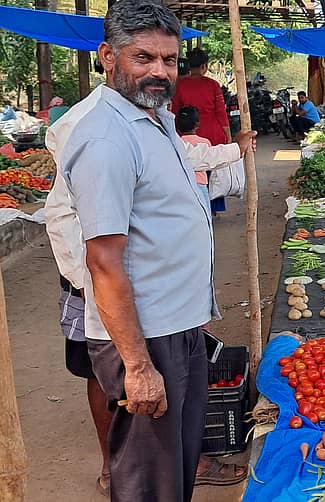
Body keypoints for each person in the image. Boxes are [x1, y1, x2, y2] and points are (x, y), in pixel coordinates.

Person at [51, 1, 253, 499]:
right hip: (145, 336)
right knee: (150, 480)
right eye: (144, 58)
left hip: (177, 325)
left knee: (175, 468)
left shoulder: (154, 118)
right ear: (108, 57)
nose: (159, 72)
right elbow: (103, 261)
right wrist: (138, 366)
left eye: (169, 59)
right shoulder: (105, 138)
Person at [171, 48, 231, 216]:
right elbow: (221, 112)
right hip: (213, 134)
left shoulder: (180, 85)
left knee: (192, 172)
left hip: (187, 135)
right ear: (204, 66)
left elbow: (174, 112)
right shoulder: (212, 85)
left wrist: (175, 133)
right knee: (212, 172)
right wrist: (228, 135)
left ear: (189, 65)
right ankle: (214, 208)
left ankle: (193, 206)